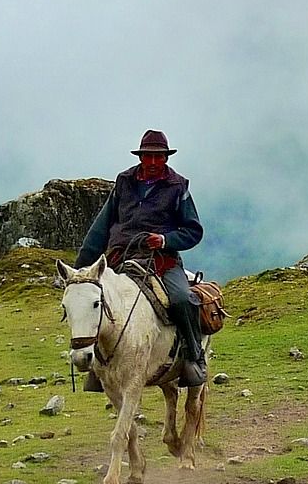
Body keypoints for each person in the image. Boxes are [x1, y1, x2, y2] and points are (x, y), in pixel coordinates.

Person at [74, 129, 208, 387]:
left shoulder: (178, 186)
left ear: (166, 158)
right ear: (141, 157)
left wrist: (165, 240)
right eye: (149, 156)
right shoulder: (124, 182)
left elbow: (193, 230)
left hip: (161, 261)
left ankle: (193, 358)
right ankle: (97, 370)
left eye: (159, 157)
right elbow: (101, 228)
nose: (154, 162)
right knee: (97, 302)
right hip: (120, 258)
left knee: (182, 300)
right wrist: (80, 270)